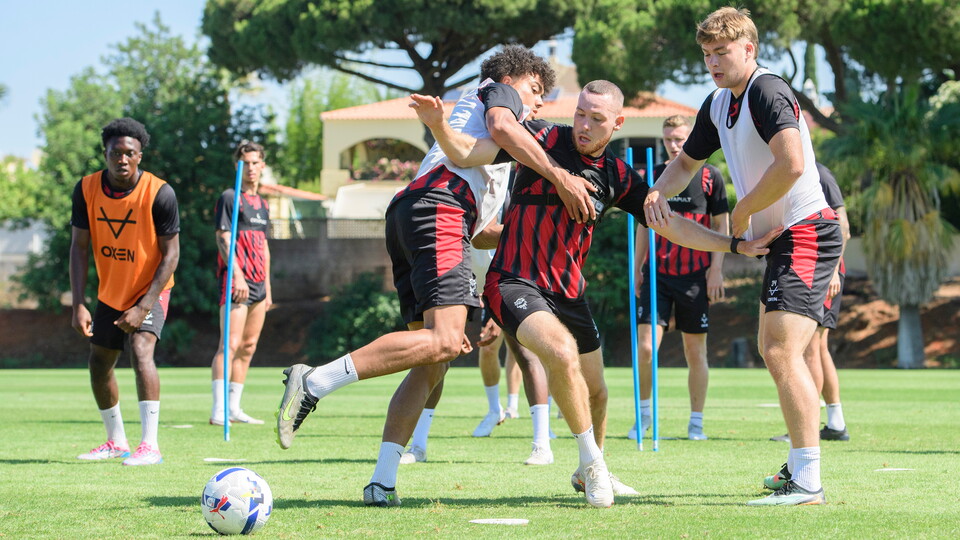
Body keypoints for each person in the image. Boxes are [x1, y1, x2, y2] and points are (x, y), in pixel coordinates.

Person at [430, 79, 778, 507]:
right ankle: (594, 466)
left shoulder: (617, 175)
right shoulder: (542, 136)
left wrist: (733, 245)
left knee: (598, 393)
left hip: (569, 293)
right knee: (560, 352)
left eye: (596, 118)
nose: (584, 125)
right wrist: (439, 126)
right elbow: (470, 150)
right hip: (513, 281)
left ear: (617, 123)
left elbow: (670, 225)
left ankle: (588, 468)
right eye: (580, 113)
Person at [273, 46, 596, 507]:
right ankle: (314, 381)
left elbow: (478, 220)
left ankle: (382, 481)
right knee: (444, 341)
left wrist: (536, 235)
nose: (540, 101)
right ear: (512, 79)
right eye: (536, 88)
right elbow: (502, 129)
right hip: (440, 208)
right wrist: (561, 177)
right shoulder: (500, 95)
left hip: (416, 212)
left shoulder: (486, 134)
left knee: (431, 360)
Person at [643, 7, 843, 506]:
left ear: (748, 49)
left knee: (781, 351)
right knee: (774, 348)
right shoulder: (717, 104)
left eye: (722, 52)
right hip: (781, 239)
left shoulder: (767, 90)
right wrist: (657, 192)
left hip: (807, 230)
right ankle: (800, 468)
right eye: (706, 54)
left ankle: (808, 482)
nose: (712, 62)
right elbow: (685, 163)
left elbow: (792, 163)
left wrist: (743, 208)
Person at [70, 117, 180, 466]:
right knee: (99, 362)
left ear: (139, 156)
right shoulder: (86, 189)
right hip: (111, 292)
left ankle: (150, 446)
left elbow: (171, 255)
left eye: (129, 153)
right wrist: (78, 303)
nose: (122, 159)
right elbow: (78, 248)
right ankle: (116, 441)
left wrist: (143, 306)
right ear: (105, 154)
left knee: (141, 349)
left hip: (151, 289)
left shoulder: (159, 193)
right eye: (115, 152)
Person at [630, 115, 729, 442]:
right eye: (669, 139)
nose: (674, 145)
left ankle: (696, 422)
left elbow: (721, 226)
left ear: (690, 139)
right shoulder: (654, 176)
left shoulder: (711, 177)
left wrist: (716, 269)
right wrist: (637, 267)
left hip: (695, 277)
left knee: (695, 352)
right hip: (657, 275)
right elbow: (644, 225)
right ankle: (644, 417)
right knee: (646, 348)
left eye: (680, 139)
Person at [768, 162, 851, 447]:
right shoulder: (790, 169)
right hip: (814, 269)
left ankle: (807, 428)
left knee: (810, 349)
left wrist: (832, 272)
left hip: (822, 271)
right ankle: (835, 422)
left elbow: (843, 227)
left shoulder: (819, 172)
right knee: (817, 347)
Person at [209, 141, 272, 426]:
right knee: (230, 344)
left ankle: (234, 408)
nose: (251, 168)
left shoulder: (263, 204)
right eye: (245, 163)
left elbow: (264, 246)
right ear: (238, 166)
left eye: (255, 162)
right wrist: (237, 276)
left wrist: (268, 288)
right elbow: (223, 238)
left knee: (248, 346)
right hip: (236, 282)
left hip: (259, 283)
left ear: (262, 165)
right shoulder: (229, 197)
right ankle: (218, 410)